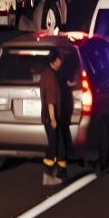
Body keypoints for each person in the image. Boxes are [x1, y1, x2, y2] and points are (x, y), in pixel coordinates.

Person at [39, 49, 71, 185]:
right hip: (52, 118)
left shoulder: (47, 73)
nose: (61, 62)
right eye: (60, 60)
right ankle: (49, 175)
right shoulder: (51, 77)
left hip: (52, 117)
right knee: (54, 146)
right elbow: (51, 101)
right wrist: (53, 119)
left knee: (60, 146)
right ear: (55, 60)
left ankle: (61, 174)